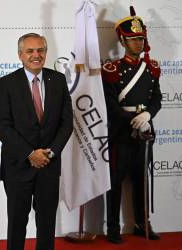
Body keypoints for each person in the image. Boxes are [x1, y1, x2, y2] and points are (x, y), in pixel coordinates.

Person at [0, 33, 73, 250]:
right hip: (18, 166)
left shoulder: (58, 81)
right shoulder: (7, 83)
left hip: (49, 165)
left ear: (46, 53)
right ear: (20, 55)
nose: (36, 55)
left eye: (41, 50)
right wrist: (30, 154)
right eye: (30, 51)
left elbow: (67, 123)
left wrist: (50, 153)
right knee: (17, 223)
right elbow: (2, 126)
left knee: (47, 224)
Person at [102, 6, 162, 244]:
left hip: (145, 131)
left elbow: (156, 99)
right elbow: (110, 106)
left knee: (142, 180)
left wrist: (147, 116)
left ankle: (141, 223)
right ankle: (113, 228)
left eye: (140, 39)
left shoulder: (152, 68)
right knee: (115, 181)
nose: (138, 43)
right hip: (121, 133)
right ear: (123, 40)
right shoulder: (113, 69)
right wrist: (132, 119)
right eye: (133, 39)